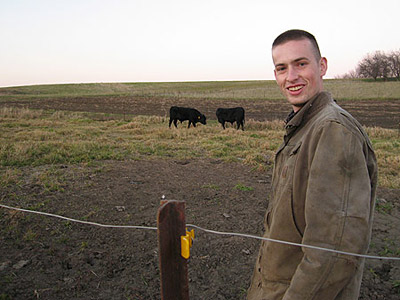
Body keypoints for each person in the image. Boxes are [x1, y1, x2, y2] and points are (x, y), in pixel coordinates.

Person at [247, 29, 378, 300]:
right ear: (275, 75)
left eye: (301, 64)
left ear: (322, 66)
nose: (291, 77)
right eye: (282, 68)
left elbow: (333, 251)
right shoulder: (304, 127)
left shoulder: (332, 130)